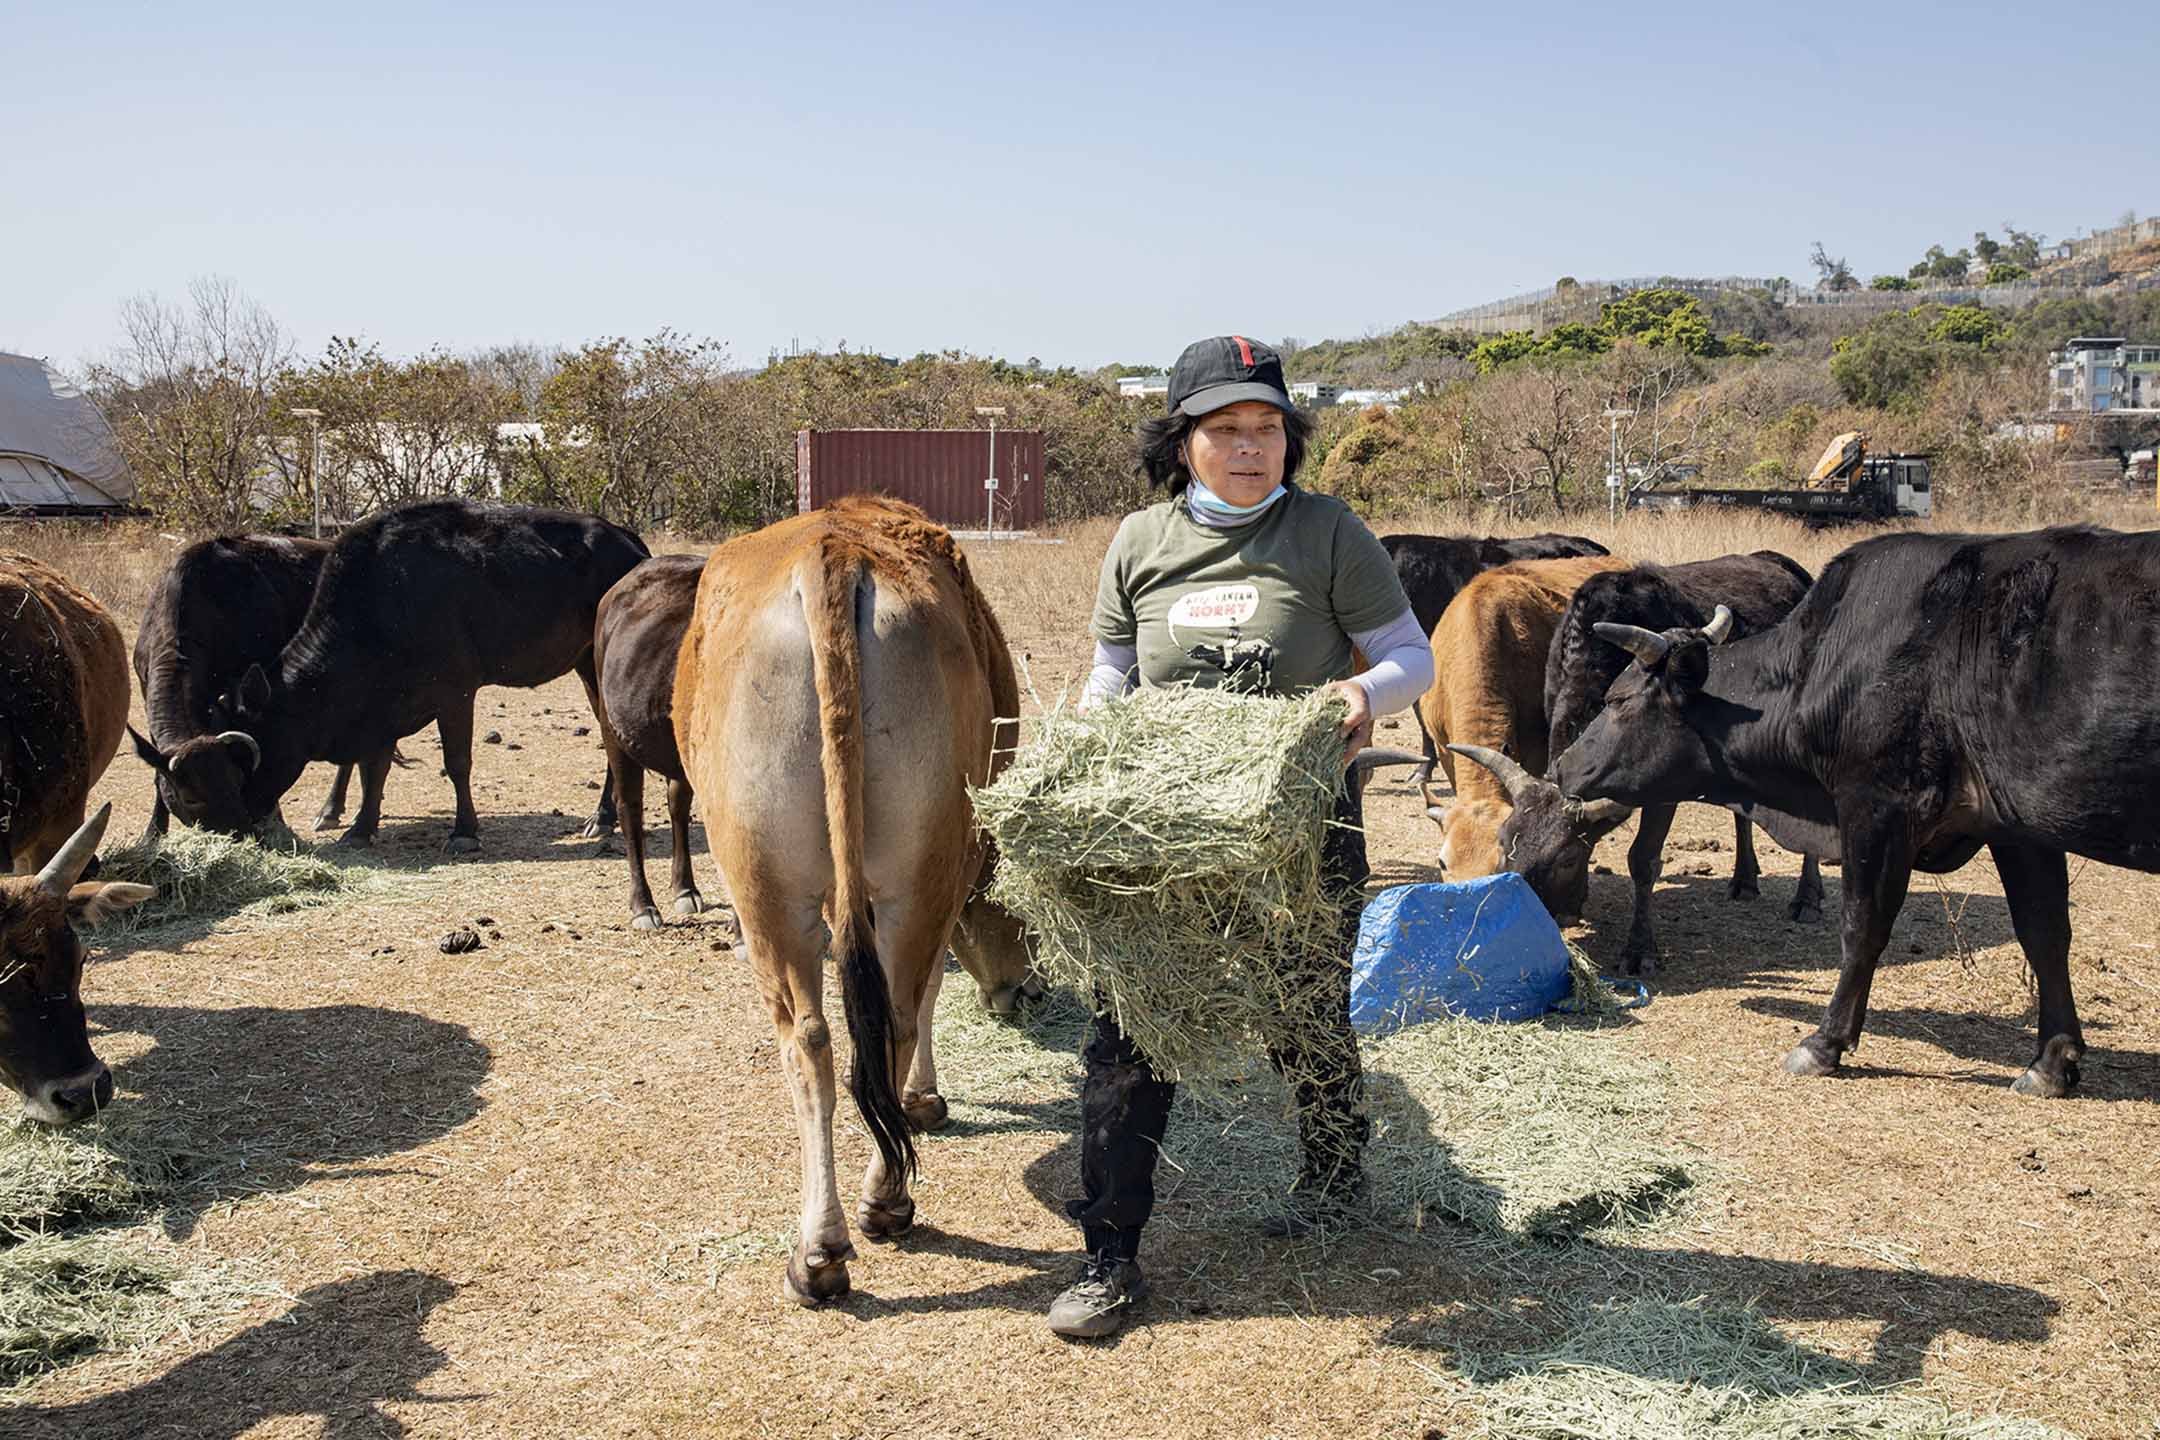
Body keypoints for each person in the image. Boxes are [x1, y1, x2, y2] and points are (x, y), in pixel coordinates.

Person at [1047, 335, 1434, 1339]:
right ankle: (1110, 1257)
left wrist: (1356, 689)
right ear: (1185, 442)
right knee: (1127, 1037)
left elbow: (1410, 659)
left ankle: (1338, 1179)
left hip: (1300, 834)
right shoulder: (1140, 540)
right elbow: (1113, 672)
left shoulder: (1327, 532)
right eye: (1226, 431)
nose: (1251, 449)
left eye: (1267, 429)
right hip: (1164, 834)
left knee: (1305, 1016)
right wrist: (1082, 745)